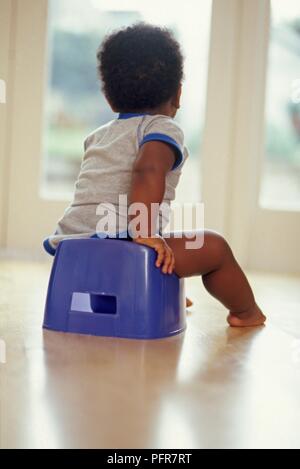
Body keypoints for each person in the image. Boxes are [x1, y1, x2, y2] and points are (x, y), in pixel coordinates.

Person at [44, 23, 266, 327]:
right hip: (123, 244)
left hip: (74, 246)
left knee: (148, 246)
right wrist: (145, 233)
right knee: (215, 248)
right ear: (177, 94)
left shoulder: (97, 137)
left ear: (109, 99)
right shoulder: (161, 127)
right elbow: (147, 169)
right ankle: (246, 312)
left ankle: (157, 291)